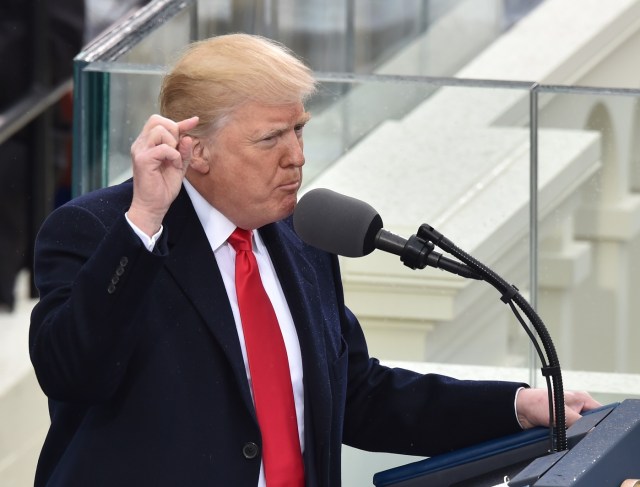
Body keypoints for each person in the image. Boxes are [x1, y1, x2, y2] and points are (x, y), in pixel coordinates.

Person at [29, 33, 600, 487]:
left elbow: (356, 394)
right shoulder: (101, 232)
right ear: (194, 149)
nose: (297, 157)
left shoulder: (302, 236)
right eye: (270, 139)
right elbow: (73, 375)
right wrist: (143, 222)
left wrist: (516, 408)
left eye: (300, 130)